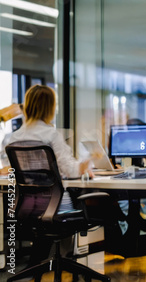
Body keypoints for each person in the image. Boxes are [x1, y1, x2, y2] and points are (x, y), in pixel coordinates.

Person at [5, 85, 94, 266]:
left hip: (27, 207)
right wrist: (87, 164)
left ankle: (37, 267)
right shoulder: (51, 135)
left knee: (44, 223)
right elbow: (71, 171)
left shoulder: (12, 138)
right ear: (50, 108)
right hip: (55, 207)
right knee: (99, 205)